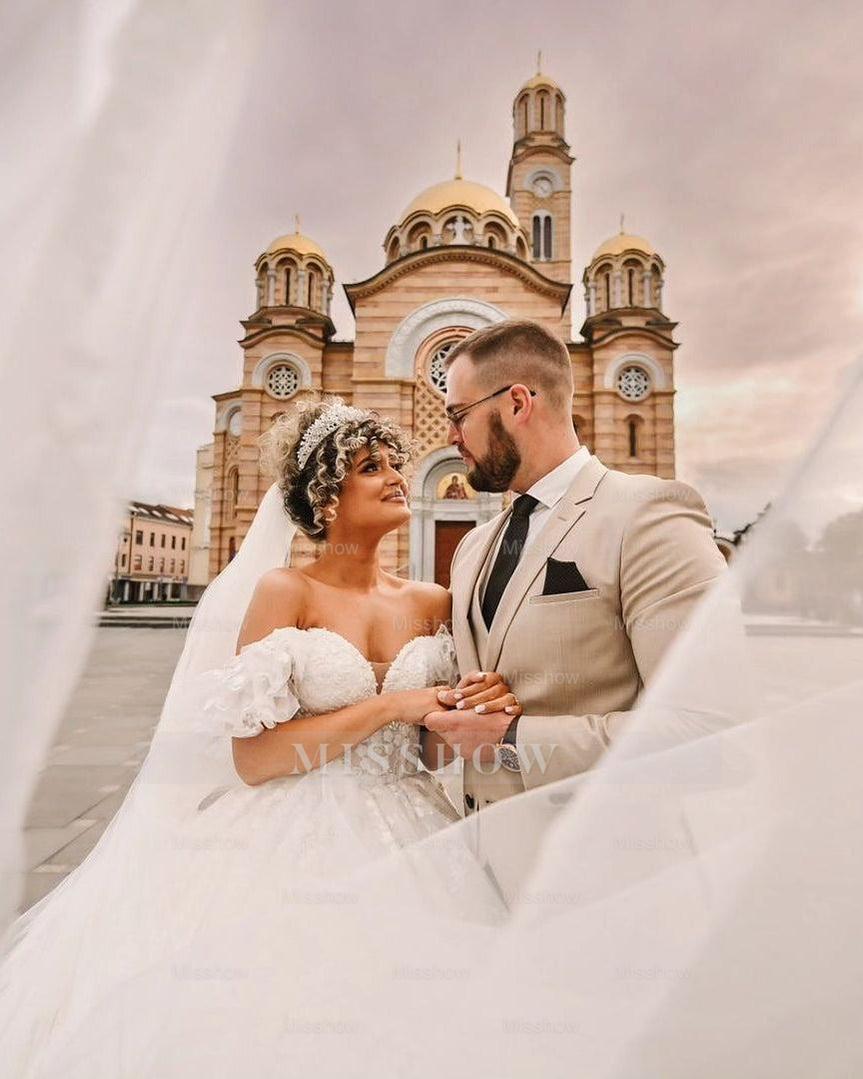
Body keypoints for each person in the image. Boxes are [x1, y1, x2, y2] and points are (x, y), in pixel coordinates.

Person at [0, 398, 518, 1073]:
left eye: (395, 463)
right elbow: (255, 757)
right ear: (326, 498)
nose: (395, 475)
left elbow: (429, 740)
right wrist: (391, 707)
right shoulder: (284, 590)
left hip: (416, 826)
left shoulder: (430, 600)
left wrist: (478, 707)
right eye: (370, 467)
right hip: (293, 830)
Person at [421, 320, 728, 815]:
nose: (451, 435)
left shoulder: (648, 515)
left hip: (604, 865)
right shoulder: (474, 546)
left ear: (517, 403)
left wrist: (513, 738)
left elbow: (711, 730)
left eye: (459, 414)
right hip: (474, 861)